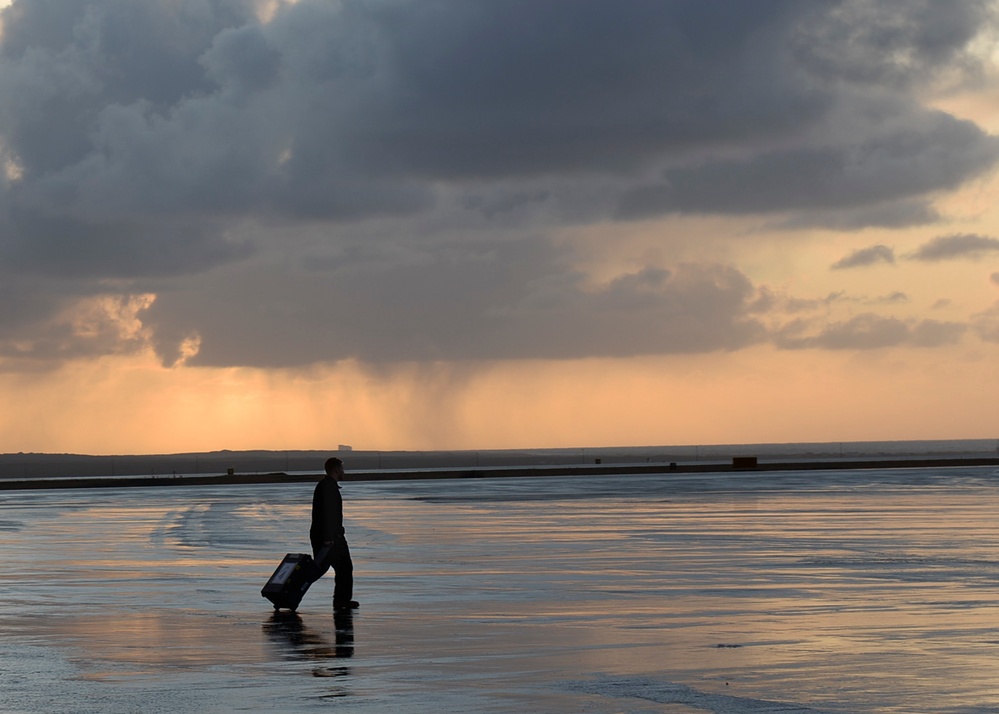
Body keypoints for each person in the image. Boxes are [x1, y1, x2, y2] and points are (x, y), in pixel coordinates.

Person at [310, 457, 358, 610]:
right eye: (342, 469)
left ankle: (341, 600)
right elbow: (329, 514)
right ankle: (341, 601)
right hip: (331, 538)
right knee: (343, 567)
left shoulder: (325, 486)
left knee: (324, 568)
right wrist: (329, 537)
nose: (344, 472)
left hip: (328, 536)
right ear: (336, 470)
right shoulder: (328, 487)